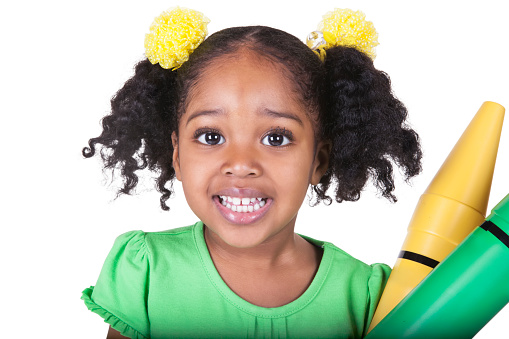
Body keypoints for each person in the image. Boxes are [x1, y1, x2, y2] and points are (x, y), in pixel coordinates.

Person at [81, 7, 422, 338]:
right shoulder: (146, 271)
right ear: (177, 155)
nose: (241, 164)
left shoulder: (363, 296)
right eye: (211, 136)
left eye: (276, 138)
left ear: (318, 160)